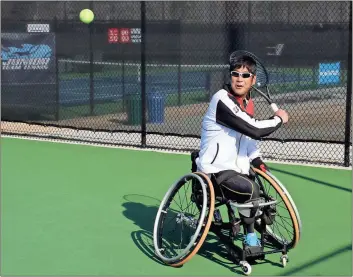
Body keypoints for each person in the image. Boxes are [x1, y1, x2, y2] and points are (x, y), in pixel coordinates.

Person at [195, 52, 289, 248]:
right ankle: (250, 236)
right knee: (251, 190)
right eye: (235, 74)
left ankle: (254, 223)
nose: (239, 79)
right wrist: (279, 119)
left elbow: (248, 140)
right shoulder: (221, 99)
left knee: (261, 188)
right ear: (230, 76)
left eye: (245, 76)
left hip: (238, 169)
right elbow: (254, 129)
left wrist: (258, 162)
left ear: (253, 80)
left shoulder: (248, 104)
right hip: (216, 170)